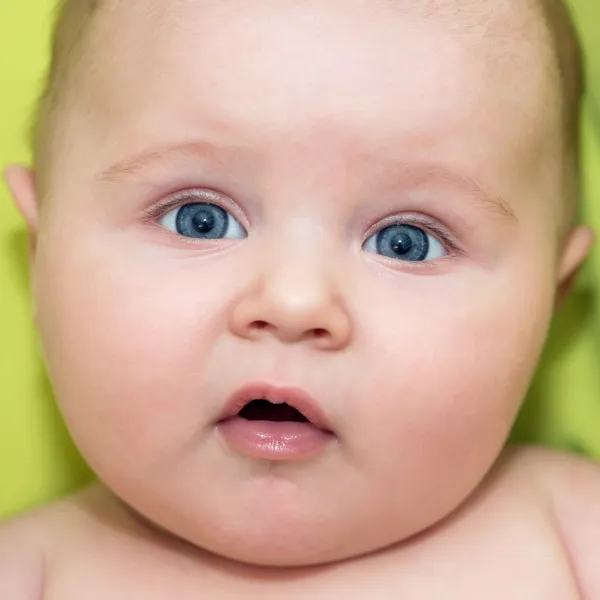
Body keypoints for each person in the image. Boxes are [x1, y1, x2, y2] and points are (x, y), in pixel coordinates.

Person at [1, 0, 598, 596]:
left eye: (407, 243)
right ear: (41, 254)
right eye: (199, 219)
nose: (293, 303)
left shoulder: (575, 531)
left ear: (549, 303)